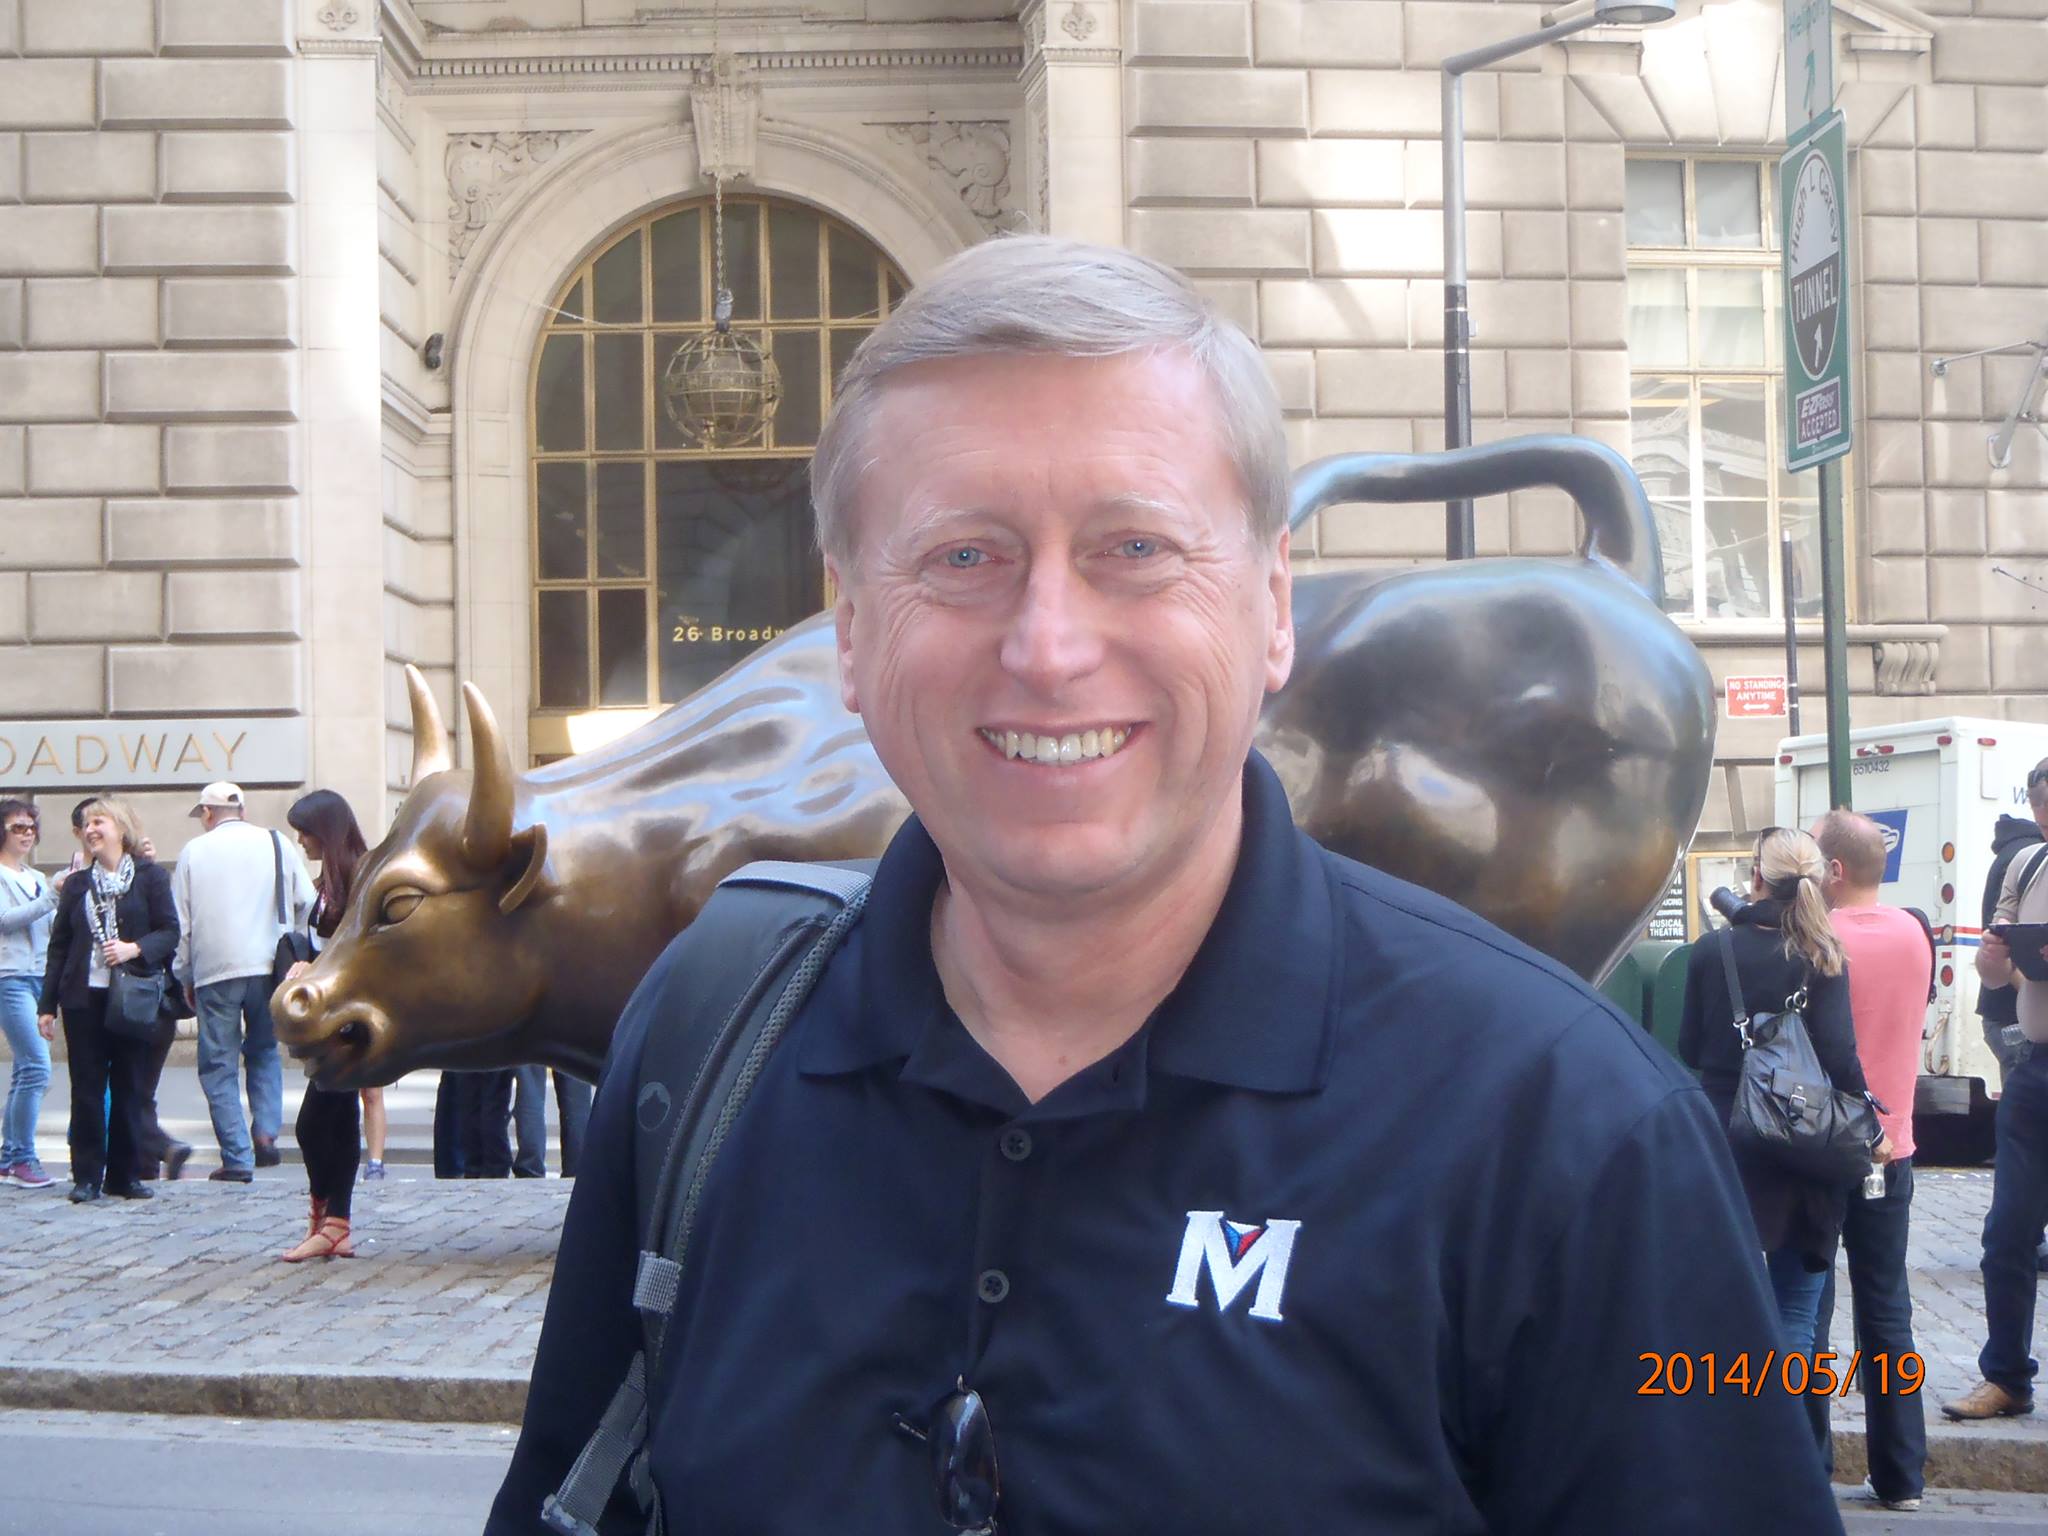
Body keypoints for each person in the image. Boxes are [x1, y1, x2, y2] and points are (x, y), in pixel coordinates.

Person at [488, 237, 1839, 1534]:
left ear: (1272, 607)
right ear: (848, 629)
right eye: (964, 557)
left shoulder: (1571, 1133)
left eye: (1134, 548)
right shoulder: (710, 1050)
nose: (1048, 647)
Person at [1680, 828, 1874, 1371]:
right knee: (1794, 1312)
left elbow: (1689, 1047)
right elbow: (1839, 1055)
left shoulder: (1713, 950)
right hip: (1800, 1139)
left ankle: (1725, 1418)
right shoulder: (1822, 954)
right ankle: (1783, 1424)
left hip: (1724, 1136)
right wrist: (1871, 1126)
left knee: (1719, 1303)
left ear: (1757, 878)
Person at [1811, 809, 1932, 1510]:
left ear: (1833, 870)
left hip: (1823, 1148)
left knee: (1812, 1304)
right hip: (1893, 1148)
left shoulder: (1819, 939)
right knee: (1887, 1306)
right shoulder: (1915, 933)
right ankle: (1901, 1475)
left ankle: (1811, 1464)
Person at [1947, 758, 2048, 1420]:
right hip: (2035, 1066)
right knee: (2008, 1230)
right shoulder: (2028, 865)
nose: (2046, 820)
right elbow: (2004, 969)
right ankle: (2006, 1377)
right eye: (2042, 807)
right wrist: (1994, 963)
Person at [171, 780, 315, 1182]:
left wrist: (184, 973)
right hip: (269, 965)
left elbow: (182, 924)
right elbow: (306, 902)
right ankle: (265, 1133)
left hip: (215, 969)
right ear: (243, 811)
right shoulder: (276, 842)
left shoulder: (193, 852)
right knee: (265, 1050)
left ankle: (237, 1156)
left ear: (207, 813)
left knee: (218, 1065)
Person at [37, 796, 179, 1203]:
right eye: (86, 824)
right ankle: (86, 1176)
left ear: (121, 828)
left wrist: (135, 948)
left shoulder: (150, 877)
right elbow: (59, 947)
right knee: (87, 1089)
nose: (91, 830)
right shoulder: (77, 884)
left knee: (130, 1087)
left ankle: (124, 1175)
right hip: (84, 1000)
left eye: (99, 822)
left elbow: (170, 931)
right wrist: (47, 1006)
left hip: (133, 996)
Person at [278, 790, 371, 1261]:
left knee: (320, 1122)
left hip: (348, 1017)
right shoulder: (332, 882)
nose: (301, 840)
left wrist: (313, 965)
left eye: (306, 832)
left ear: (326, 832)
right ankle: (330, 1221)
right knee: (326, 1120)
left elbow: (358, 948)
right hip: (330, 1015)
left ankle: (334, 1220)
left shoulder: (359, 877)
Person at [0, 799, 58, 1190]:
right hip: (10, 977)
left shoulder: (36, 876)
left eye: (31, 827)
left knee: (26, 1070)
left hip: (39, 978)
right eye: (17, 827)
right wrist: (50, 899)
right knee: (37, 1068)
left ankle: (8, 1159)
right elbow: (5, 920)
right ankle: (22, 1156)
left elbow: (49, 926)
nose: (26, 834)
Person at [1980, 804, 2044, 1080]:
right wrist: (1994, 953)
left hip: (2007, 1018)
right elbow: (1994, 970)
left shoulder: (2013, 857)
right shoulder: (2026, 862)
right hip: (2023, 1034)